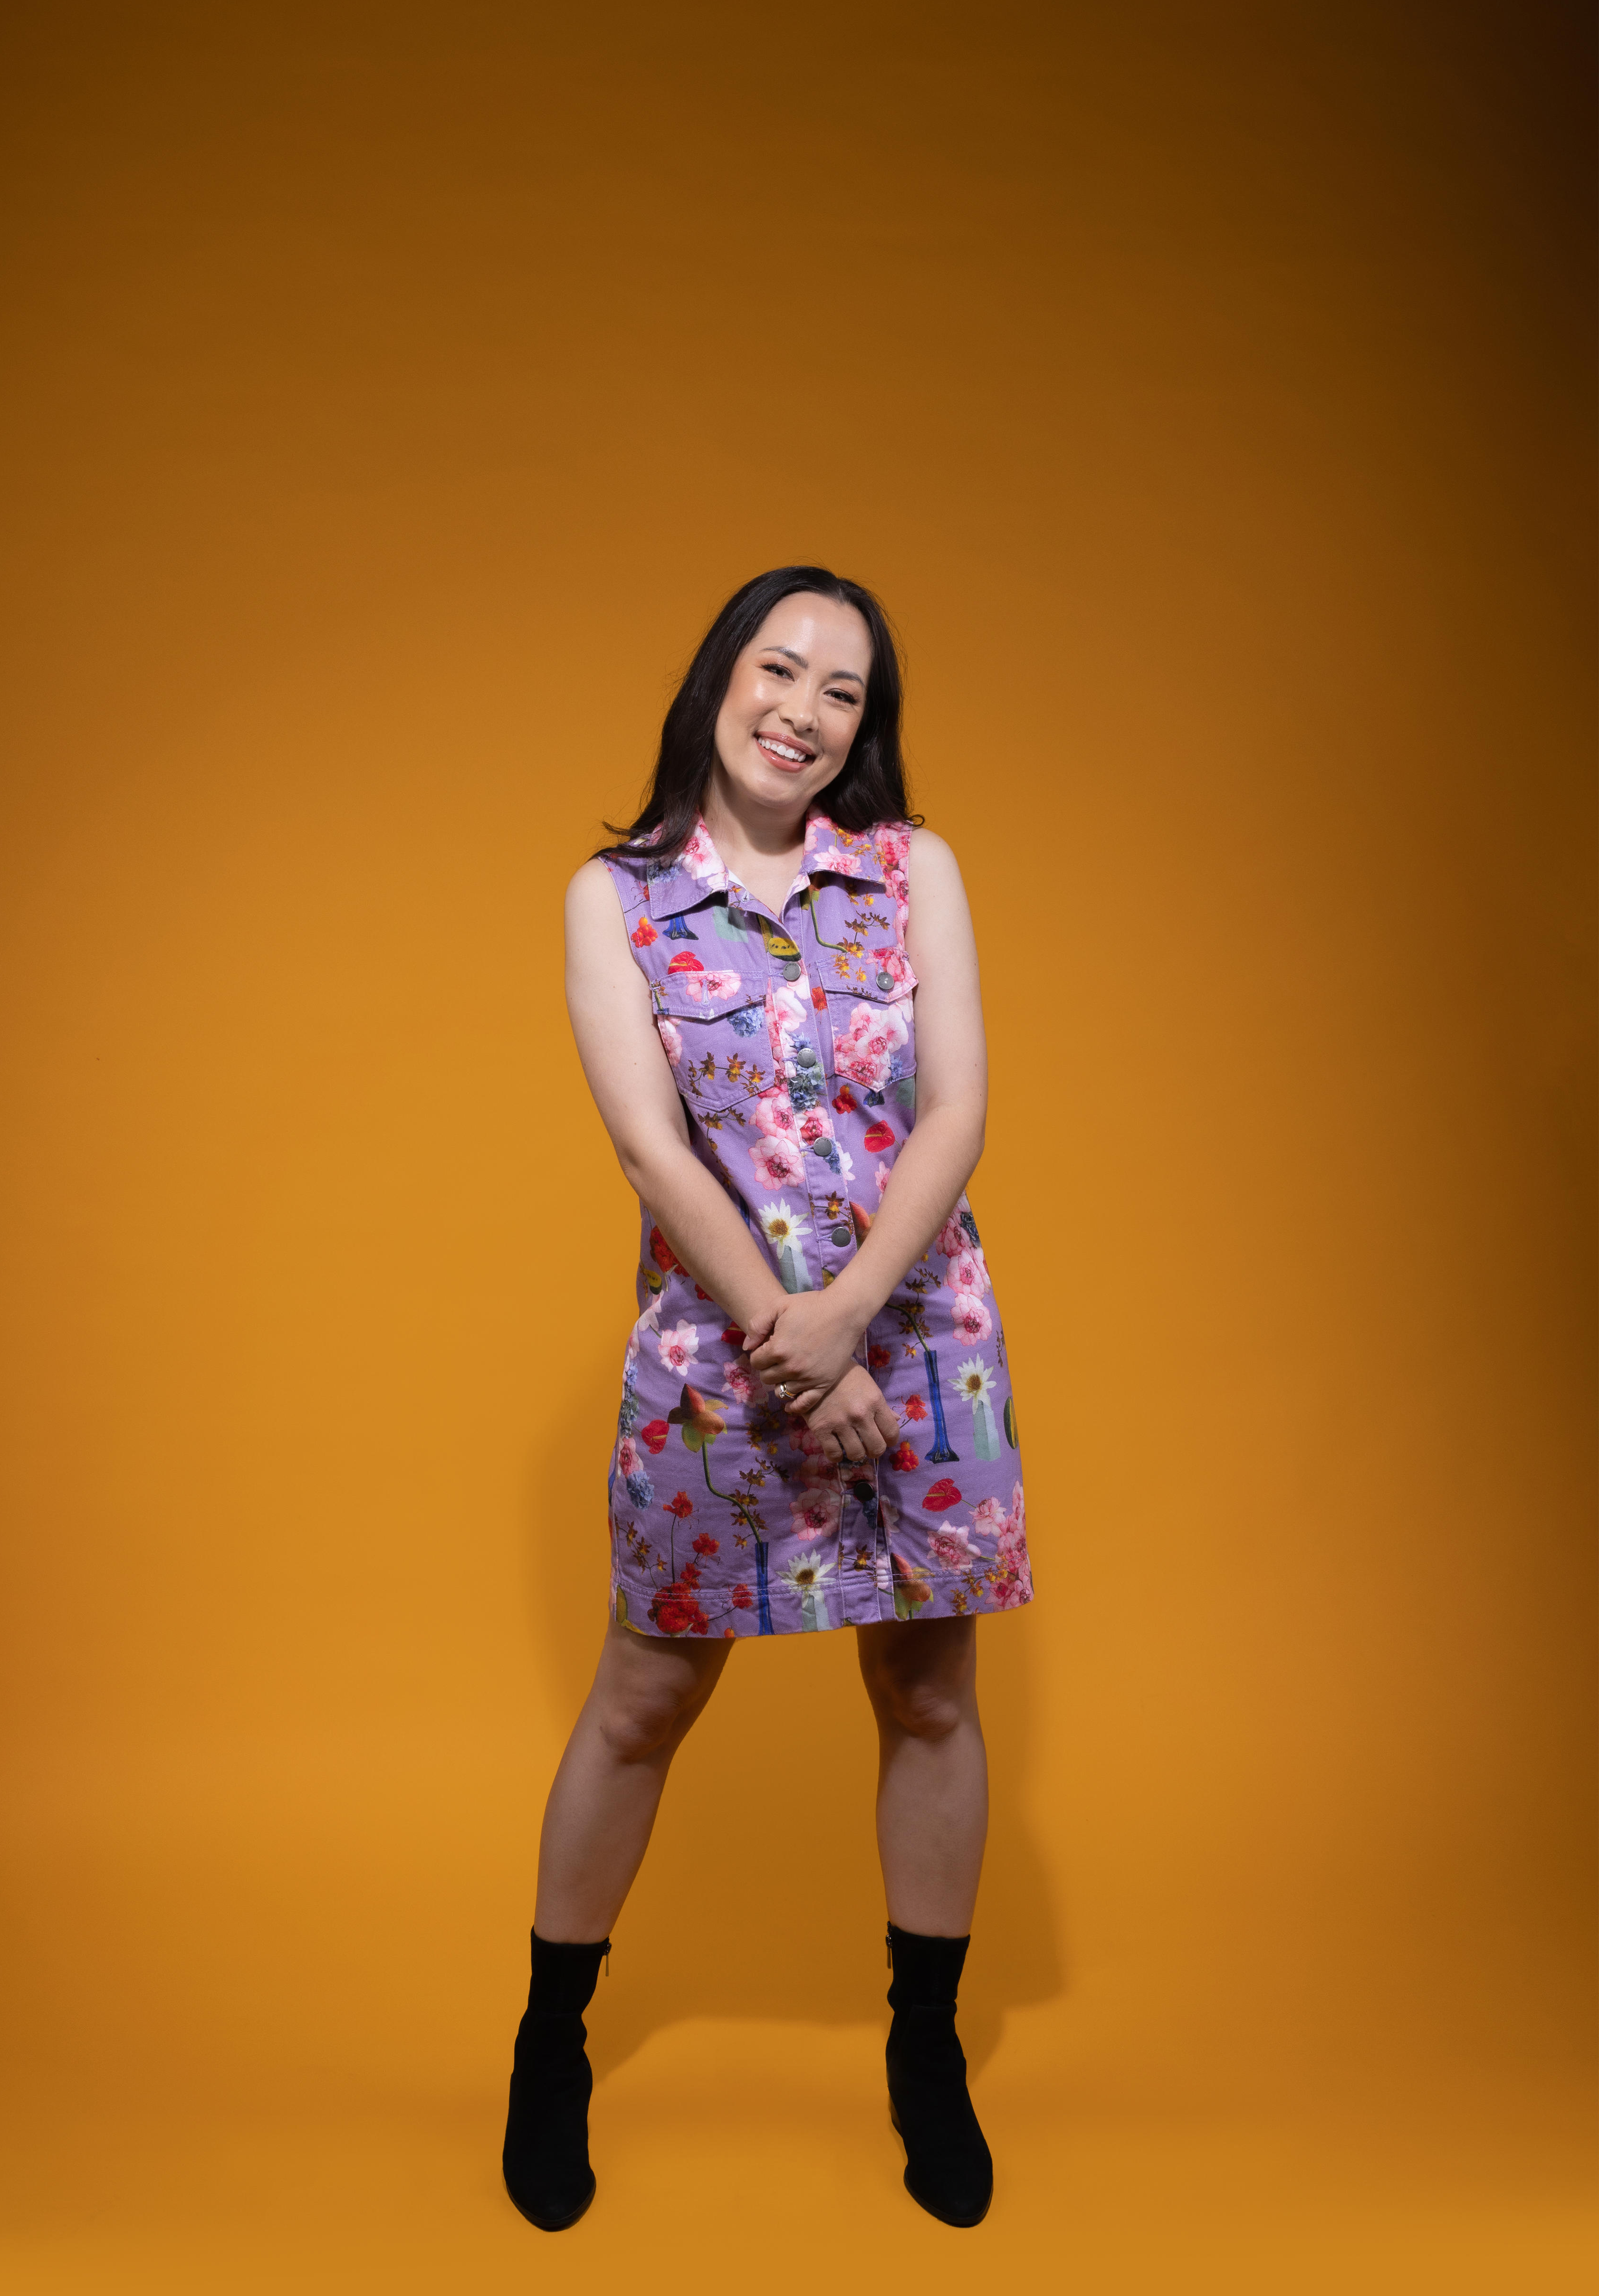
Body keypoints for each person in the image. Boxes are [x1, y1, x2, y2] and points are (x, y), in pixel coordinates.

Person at [502, 566, 1033, 2232]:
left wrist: (860, 1318)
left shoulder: (913, 871)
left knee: (931, 1700)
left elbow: (958, 1109)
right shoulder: (618, 896)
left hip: (921, 1344)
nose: (801, 711)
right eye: (777, 668)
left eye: (842, 693)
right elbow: (651, 1146)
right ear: (717, 676)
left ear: (864, 729)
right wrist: (787, 1339)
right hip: (719, 1370)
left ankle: (926, 2052)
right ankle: (551, 2038)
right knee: (643, 1704)